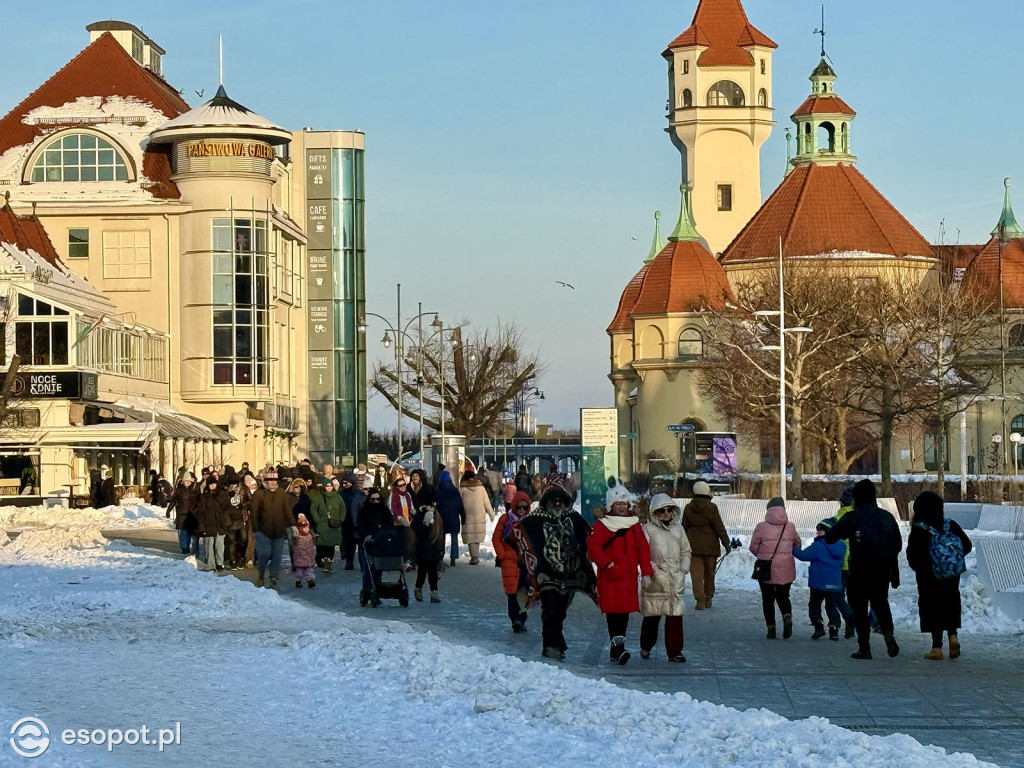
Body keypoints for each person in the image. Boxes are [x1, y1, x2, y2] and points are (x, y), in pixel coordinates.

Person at [509, 477, 595, 660]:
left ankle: (553, 641)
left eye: (560, 500)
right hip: (546, 574)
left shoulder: (573, 518)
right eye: (553, 500)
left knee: (561, 611)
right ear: (546, 502)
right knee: (550, 610)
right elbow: (517, 535)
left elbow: (588, 536)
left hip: (570, 574)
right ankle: (552, 645)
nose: (557, 504)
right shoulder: (535, 519)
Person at [824, 478, 903, 660]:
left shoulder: (853, 516)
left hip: (859, 570)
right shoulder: (887, 517)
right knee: (881, 602)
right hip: (882, 570)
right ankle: (888, 633)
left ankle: (864, 647)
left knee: (859, 608)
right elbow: (897, 545)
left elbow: (832, 536)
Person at [587, 480, 651, 665]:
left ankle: (617, 648)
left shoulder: (634, 525)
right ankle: (618, 646)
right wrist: (607, 564)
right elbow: (593, 548)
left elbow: (642, 549)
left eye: (624, 504)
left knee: (623, 612)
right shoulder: (602, 525)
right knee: (613, 612)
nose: (622, 507)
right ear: (611, 506)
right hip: (610, 577)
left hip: (628, 576)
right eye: (618, 504)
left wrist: (646, 571)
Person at [907, 491, 973, 660]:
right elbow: (967, 545)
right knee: (951, 602)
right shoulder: (950, 525)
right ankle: (953, 636)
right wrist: (952, 561)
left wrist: (924, 568)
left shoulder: (919, 529)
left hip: (928, 577)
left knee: (932, 607)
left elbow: (913, 556)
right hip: (951, 576)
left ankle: (936, 648)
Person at [639, 494, 691, 662]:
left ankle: (675, 651)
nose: (666, 514)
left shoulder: (679, 529)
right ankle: (646, 646)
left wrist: (684, 567)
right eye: (662, 511)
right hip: (656, 578)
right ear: (655, 512)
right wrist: (652, 569)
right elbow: (642, 553)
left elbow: (686, 550)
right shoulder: (648, 529)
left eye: (669, 510)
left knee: (675, 615)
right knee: (653, 614)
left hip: (675, 577)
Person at [749, 497, 801, 639]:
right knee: (783, 596)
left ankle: (771, 628)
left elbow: (753, 547)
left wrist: (763, 556)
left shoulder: (761, 526)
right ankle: (786, 616)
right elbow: (798, 544)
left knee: (768, 599)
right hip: (786, 569)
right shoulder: (790, 526)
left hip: (766, 568)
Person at [793, 520, 848, 640]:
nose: (817, 532)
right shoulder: (841, 546)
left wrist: (793, 548)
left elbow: (803, 556)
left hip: (819, 583)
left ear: (827, 531)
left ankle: (818, 626)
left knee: (814, 605)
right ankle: (834, 629)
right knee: (831, 607)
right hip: (834, 583)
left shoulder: (818, 546)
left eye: (820, 529)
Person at [681, 481, 730, 610]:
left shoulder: (688, 508)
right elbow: (719, 526)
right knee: (709, 574)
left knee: (696, 575)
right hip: (710, 547)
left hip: (693, 546)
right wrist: (726, 542)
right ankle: (708, 598)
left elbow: (683, 528)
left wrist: (681, 545)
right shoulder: (712, 507)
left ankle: (699, 601)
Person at [250, 470, 297, 589]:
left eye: (275, 480)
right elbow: (254, 513)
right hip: (263, 530)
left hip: (278, 530)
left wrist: (293, 524)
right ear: (265, 481)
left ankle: (273, 578)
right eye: (270, 480)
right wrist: (256, 529)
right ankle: (261, 573)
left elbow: (287, 510)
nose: (273, 483)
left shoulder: (281, 493)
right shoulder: (259, 494)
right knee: (265, 553)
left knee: (277, 556)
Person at [493, 491, 532, 632]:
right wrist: (502, 554)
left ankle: (522, 618)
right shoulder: (506, 519)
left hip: (526, 562)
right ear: (514, 506)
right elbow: (496, 538)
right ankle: (515, 619)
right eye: (519, 507)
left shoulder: (531, 521)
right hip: (509, 561)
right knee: (512, 592)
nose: (521, 511)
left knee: (524, 591)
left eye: (524, 508)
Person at [357, 488, 396, 605]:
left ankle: (376, 591)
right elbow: (360, 525)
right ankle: (367, 591)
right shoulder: (364, 511)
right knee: (368, 569)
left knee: (378, 569)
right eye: (373, 499)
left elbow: (389, 524)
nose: (375, 501)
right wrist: (366, 535)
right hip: (367, 543)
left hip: (380, 543)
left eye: (378, 499)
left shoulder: (384, 511)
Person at [310, 476, 346, 574]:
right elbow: (313, 509)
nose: (329, 487)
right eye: (327, 486)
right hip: (322, 525)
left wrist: (341, 519)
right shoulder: (318, 498)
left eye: (330, 486)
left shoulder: (337, 497)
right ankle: (322, 561)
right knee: (321, 544)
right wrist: (317, 520)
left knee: (331, 545)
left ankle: (328, 563)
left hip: (334, 525)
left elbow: (343, 508)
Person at [411, 503, 445, 603]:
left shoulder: (437, 518)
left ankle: (433, 593)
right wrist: (424, 520)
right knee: (422, 572)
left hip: (433, 550)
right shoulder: (421, 516)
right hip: (423, 550)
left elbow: (440, 536)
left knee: (433, 573)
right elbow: (417, 530)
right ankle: (418, 588)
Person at [459, 469, 494, 564]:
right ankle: (475, 556)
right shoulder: (481, 488)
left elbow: (459, 503)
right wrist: (491, 514)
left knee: (470, 537)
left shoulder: (462, 488)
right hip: (479, 515)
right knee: (477, 536)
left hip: (467, 515)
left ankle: (474, 557)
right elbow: (486, 502)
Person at [196, 476, 228, 572]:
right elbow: (201, 513)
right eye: (210, 485)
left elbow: (227, 508)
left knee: (220, 545)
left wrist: (227, 521)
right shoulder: (204, 496)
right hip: (209, 524)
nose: (212, 486)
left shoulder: (222, 494)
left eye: (214, 484)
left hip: (220, 524)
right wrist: (201, 527)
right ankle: (211, 564)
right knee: (209, 545)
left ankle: (220, 563)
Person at [435, 470, 465, 566]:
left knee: (441, 538)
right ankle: (453, 557)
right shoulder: (454, 490)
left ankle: (440, 556)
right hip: (453, 516)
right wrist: (463, 515)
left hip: (441, 517)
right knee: (454, 537)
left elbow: (435, 503)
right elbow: (460, 504)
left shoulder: (438, 490)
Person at [168, 472, 199, 555]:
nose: (187, 482)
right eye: (186, 481)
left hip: (190, 513)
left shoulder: (194, 489)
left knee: (188, 531)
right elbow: (174, 500)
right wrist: (169, 510)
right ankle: (183, 547)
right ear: (183, 481)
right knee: (181, 531)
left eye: (189, 481)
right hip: (181, 512)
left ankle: (187, 546)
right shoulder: (179, 489)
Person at [223, 471, 248, 570]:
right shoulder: (226, 491)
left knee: (243, 539)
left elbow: (250, 500)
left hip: (242, 518)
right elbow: (223, 505)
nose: (233, 486)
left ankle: (241, 558)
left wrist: (244, 505)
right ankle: (233, 561)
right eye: (231, 484)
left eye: (234, 484)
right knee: (231, 541)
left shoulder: (244, 489)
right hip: (230, 520)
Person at [338, 475, 362, 570]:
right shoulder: (340, 494)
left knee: (359, 543)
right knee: (348, 543)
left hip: (357, 521)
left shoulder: (357, 493)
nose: (346, 485)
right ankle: (349, 562)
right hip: (346, 522)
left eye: (348, 483)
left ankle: (362, 564)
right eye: (344, 483)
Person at [291, 513, 317, 588]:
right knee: (299, 571)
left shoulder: (310, 534)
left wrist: (316, 538)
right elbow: (293, 542)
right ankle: (298, 580)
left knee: (309, 570)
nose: (306, 529)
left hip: (309, 556)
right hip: (300, 557)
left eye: (307, 527)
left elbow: (314, 540)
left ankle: (310, 579)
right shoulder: (297, 535)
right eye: (304, 528)